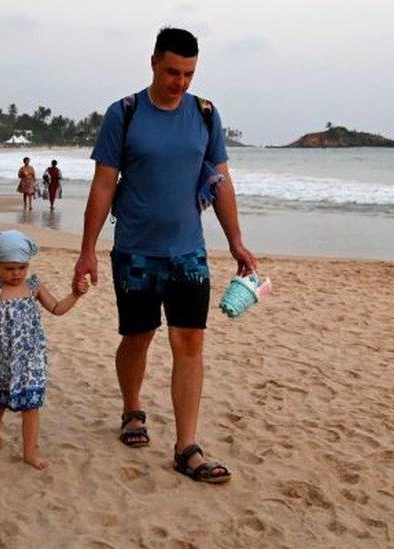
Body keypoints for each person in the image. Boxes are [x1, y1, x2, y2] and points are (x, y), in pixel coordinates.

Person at [72, 28, 257, 484]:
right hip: (135, 251)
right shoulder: (126, 113)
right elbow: (103, 184)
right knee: (138, 337)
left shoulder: (206, 115)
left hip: (189, 251)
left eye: (189, 74)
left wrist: (235, 240)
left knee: (190, 341)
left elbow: (220, 181)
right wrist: (86, 251)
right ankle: (132, 409)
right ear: (153, 62)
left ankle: (186, 446)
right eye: (173, 71)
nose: (180, 82)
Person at [0, 230, 88, 470]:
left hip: (30, 359)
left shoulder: (34, 286)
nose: (16, 274)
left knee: (31, 404)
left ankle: (30, 452)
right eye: (9, 268)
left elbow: (56, 308)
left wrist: (75, 295)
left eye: (21, 267)